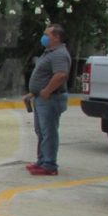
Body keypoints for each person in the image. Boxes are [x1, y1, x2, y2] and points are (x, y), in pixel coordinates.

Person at [25, 24, 72, 176]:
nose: (44, 37)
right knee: (41, 131)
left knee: (49, 131)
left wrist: (46, 91)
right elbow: (45, 76)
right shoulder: (49, 52)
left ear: (56, 37)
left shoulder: (59, 54)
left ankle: (50, 164)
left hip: (51, 98)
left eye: (47, 35)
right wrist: (33, 92)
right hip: (41, 98)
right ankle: (42, 161)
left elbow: (60, 75)